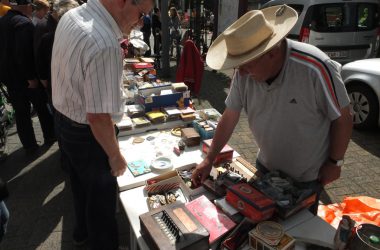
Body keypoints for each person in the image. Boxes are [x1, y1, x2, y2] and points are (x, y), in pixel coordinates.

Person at [191, 5, 353, 214]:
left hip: (307, 178)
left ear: (272, 51)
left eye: (246, 64)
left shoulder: (315, 67)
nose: (239, 71)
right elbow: (229, 116)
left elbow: (343, 118)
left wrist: (335, 162)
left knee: (299, 236)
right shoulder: (244, 73)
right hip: (266, 167)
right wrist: (209, 158)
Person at [51, 0, 154, 248]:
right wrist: (115, 155)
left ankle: (81, 233)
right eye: (141, 14)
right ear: (122, 2)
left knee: (79, 186)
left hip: (65, 121)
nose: (140, 22)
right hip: (88, 135)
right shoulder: (104, 43)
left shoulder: (72, 15)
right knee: (101, 204)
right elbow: (98, 117)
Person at [0, 0, 56, 153]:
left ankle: (29, 145)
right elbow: (24, 54)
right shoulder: (24, 24)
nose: (32, 8)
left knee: (21, 112)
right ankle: (50, 136)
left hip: (10, 77)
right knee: (41, 108)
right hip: (26, 78)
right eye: (30, 5)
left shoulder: (3, 20)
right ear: (25, 6)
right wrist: (31, 77)